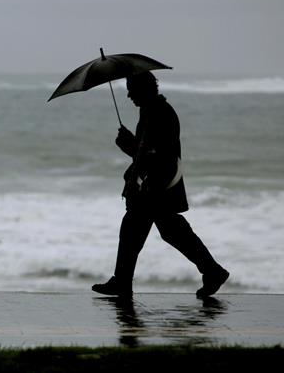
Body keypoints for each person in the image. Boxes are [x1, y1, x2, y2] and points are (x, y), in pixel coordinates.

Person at [92, 71, 229, 298]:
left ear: (144, 89)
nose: (128, 96)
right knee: (161, 231)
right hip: (154, 186)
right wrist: (133, 147)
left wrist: (129, 146)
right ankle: (211, 271)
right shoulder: (151, 111)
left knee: (148, 231)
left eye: (131, 90)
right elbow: (148, 152)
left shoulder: (160, 114)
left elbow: (156, 155)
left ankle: (123, 282)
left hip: (157, 187)